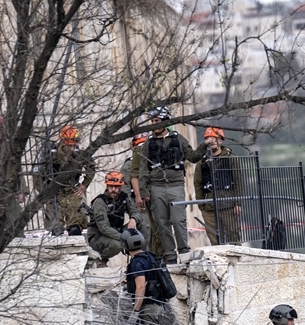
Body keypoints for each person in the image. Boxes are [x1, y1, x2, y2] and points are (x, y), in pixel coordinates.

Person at [130, 107, 205, 263]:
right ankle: (170, 257)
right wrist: (143, 192)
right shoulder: (147, 144)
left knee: (178, 220)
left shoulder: (178, 139)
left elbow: (192, 157)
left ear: (165, 121)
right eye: (153, 121)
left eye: (157, 121)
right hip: (156, 188)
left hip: (176, 185)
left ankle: (184, 253)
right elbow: (142, 169)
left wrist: (204, 146)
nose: (154, 124)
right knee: (162, 224)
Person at [36, 124, 96, 236]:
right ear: (62, 142)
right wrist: (44, 192)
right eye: (69, 146)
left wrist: (84, 185)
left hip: (72, 191)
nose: (72, 149)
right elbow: (37, 175)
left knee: (75, 226)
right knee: (56, 228)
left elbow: (91, 167)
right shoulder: (50, 153)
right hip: (54, 192)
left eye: (74, 145)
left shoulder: (80, 152)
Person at [193, 126, 243, 245]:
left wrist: (238, 203)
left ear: (220, 140)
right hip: (209, 207)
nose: (211, 142)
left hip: (228, 205)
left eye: (213, 139)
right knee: (215, 241)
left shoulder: (231, 159)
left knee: (233, 238)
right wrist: (202, 207)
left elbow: (238, 181)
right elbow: (198, 184)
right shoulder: (202, 162)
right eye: (208, 139)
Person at [88, 171, 145, 260]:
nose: (113, 189)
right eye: (111, 186)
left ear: (120, 187)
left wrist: (133, 219)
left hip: (117, 231)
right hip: (98, 236)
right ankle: (100, 260)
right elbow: (104, 228)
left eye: (116, 187)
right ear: (107, 186)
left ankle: (139, 256)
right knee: (117, 245)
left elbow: (137, 212)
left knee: (141, 225)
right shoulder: (100, 202)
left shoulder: (124, 197)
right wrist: (124, 238)